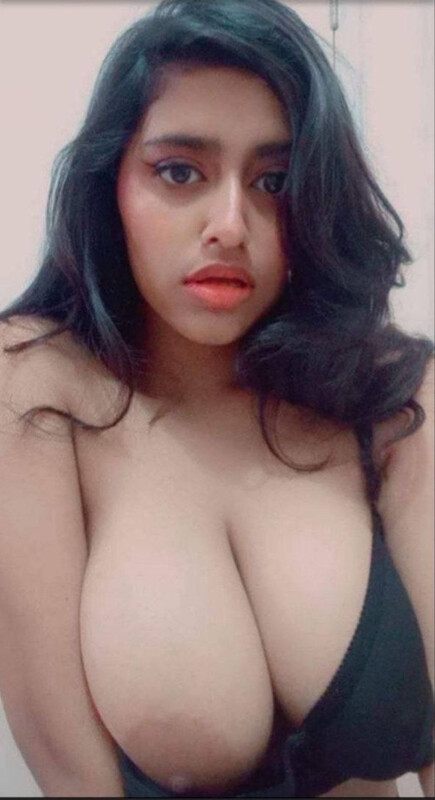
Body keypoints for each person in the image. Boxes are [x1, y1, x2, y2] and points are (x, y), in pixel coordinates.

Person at [0, 0, 433, 797]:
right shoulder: (31, 387)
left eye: (275, 181)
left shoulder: (388, 396)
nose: (230, 225)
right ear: (109, 182)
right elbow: (70, 772)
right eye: (178, 171)